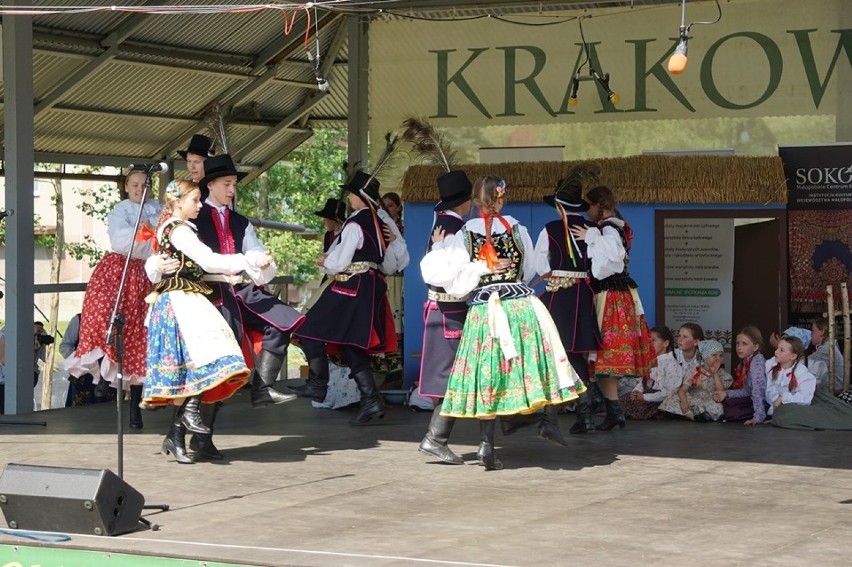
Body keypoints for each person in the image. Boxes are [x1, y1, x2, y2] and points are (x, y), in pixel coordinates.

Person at [422, 175, 585, 470]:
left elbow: (453, 283)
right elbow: (535, 267)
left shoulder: (463, 234)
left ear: (475, 202)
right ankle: (541, 419)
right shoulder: (518, 229)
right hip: (519, 305)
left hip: (484, 310)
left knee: (487, 374)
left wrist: (472, 267)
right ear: (502, 199)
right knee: (536, 364)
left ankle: (488, 443)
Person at [160, 153, 304, 460]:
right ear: (210, 185)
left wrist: (264, 264)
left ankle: (203, 437)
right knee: (210, 367)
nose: (232, 190)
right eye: (226, 184)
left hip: (231, 296)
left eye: (234, 184)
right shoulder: (191, 218)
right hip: (203, 297)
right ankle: (178, 435)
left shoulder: (241, 222)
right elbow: (184, 255)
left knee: (226, 369)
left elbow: (257, 265)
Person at [143, 180, 259, 464]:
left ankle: (176, 433)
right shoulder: (179, 229)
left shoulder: (179, 228)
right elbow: (206, 260)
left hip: (188, 299)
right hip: (180, 302)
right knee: (215, 356)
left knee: (204, 362)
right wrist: (246, 260)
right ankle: (189, 417)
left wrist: (228, 274)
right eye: (195, 200)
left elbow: (193, 267)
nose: (199, 205)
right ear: (178, 201)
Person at [65, 169, 173, 430]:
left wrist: (149, 235)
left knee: (140, 336)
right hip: (119, 272)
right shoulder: (119, 211)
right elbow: (122, 241)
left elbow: (162, 241)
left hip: (148, 272)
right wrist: (147, 235)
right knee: (104, 318)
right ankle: (103, 366)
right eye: (134, 185)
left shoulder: (158, 209)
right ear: (126, 186)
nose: (139, 189)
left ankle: (135, 407)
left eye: (144, 185)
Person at [294, 171, 403, 425]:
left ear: (360, 196)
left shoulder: (355, 224)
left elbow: (339, 261)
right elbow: (388, 265)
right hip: (371, 286)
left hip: (351, 285)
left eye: (352, 193)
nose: (350, 198)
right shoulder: (378, 223)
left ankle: (318, 383)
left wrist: (325, 262)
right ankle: (370, 400)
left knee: (307, 327)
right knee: (352, 344)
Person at [570, 185, 653, 431]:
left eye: (590, 206)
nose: (588, 212)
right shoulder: (618, 226)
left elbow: (612, 260)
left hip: (610, 297)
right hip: (617, 295)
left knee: (604, 354)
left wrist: (591, 238)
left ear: (601, 206)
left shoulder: (607, 228)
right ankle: (613, 411)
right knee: (603, 360)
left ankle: (599, 404)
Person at [533, 168, 603, 437]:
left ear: (558, 206)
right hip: (583, 294)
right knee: (575, 353)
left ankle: (559, 412)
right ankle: (585, 411)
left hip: (558, 293)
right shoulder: (593, 229)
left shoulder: (550, 229)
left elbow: (541, 264)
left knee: (555, 349)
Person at [417, 170, 473, 464]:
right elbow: (453, 275)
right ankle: (435, 438)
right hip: (450, 309)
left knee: (456, 373)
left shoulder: (443, 224)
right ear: (468, 201)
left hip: (444, 308)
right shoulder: (456, 231)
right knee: (453, 375)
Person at [659, 339, 732, 422]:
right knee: (672, 399)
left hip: (709, 400)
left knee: (718, 407)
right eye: (714, 355)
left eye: (721, 355)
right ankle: (693, 414)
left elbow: (721, 392)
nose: (718, 358)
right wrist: (684, 401)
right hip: (693, 398)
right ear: (705, 357)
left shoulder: (723, 374)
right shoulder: (693, 371)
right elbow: (683, 390)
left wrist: (715, 374)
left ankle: (692, 414)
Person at [621, 326, 681, 420]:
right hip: (648, 394)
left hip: (659, 399)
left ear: (665, 343)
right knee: (623, 399)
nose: (649, 344)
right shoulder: (652, 362)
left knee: (637, 408)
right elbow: (645, 382)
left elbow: (669, 392)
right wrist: (637, 391)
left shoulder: (671, 364)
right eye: (648, 341)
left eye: (654, 340)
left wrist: (644, 397)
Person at [712, 325, 768, 424]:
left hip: (763, 402)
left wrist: (758, 417)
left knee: (732, 412)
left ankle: (764, 414)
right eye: (737, 343)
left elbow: (758, 391)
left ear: (756, 347)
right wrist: (727, 393)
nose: (739, 348)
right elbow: (747, 391)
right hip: (751, 399)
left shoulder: (757, 363)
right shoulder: (743, 363)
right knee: (728, 404)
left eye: (744, 344)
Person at [60, 314, 111, 406]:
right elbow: (65, 347)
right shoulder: (79, 319)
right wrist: (78, 362)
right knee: (79, 414)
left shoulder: (113, 320)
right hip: (84, 376)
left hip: (108, 376)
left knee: (109, 412)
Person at [764, 335, 816, 418]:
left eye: (781, 350)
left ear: (793, 356)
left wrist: (783, 399)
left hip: (794, 407)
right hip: (775, 406)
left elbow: (805, 398)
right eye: (777, 348)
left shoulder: (801, 372)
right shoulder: (771, 364)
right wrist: (774, 402)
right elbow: (769, 388)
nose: (776, 352)